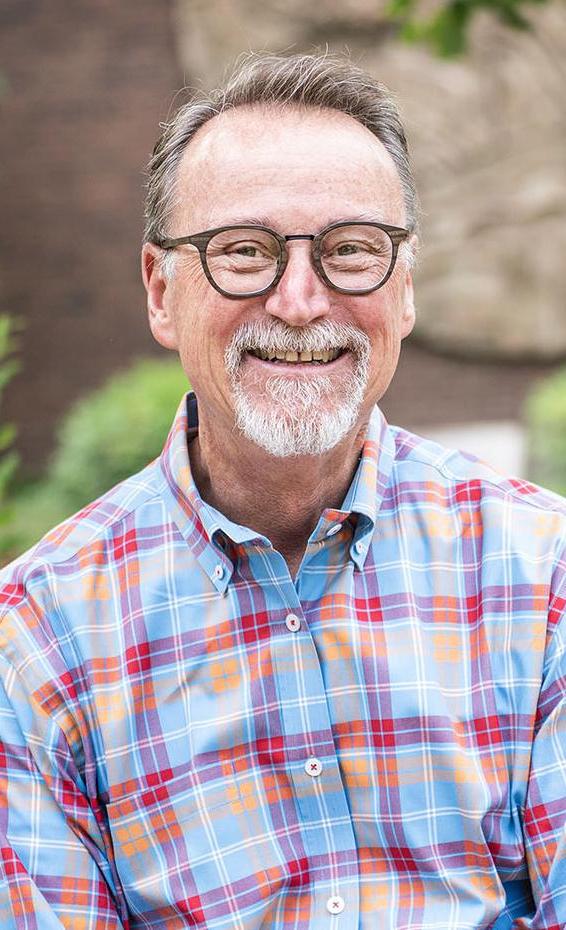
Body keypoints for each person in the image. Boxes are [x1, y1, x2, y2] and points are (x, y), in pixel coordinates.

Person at [0, 52, 564, 930]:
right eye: (243, 252)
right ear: (160, 289)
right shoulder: (38, 637)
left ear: (404, 287)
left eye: (350, 250)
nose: (300, 301)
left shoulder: (543, 573)